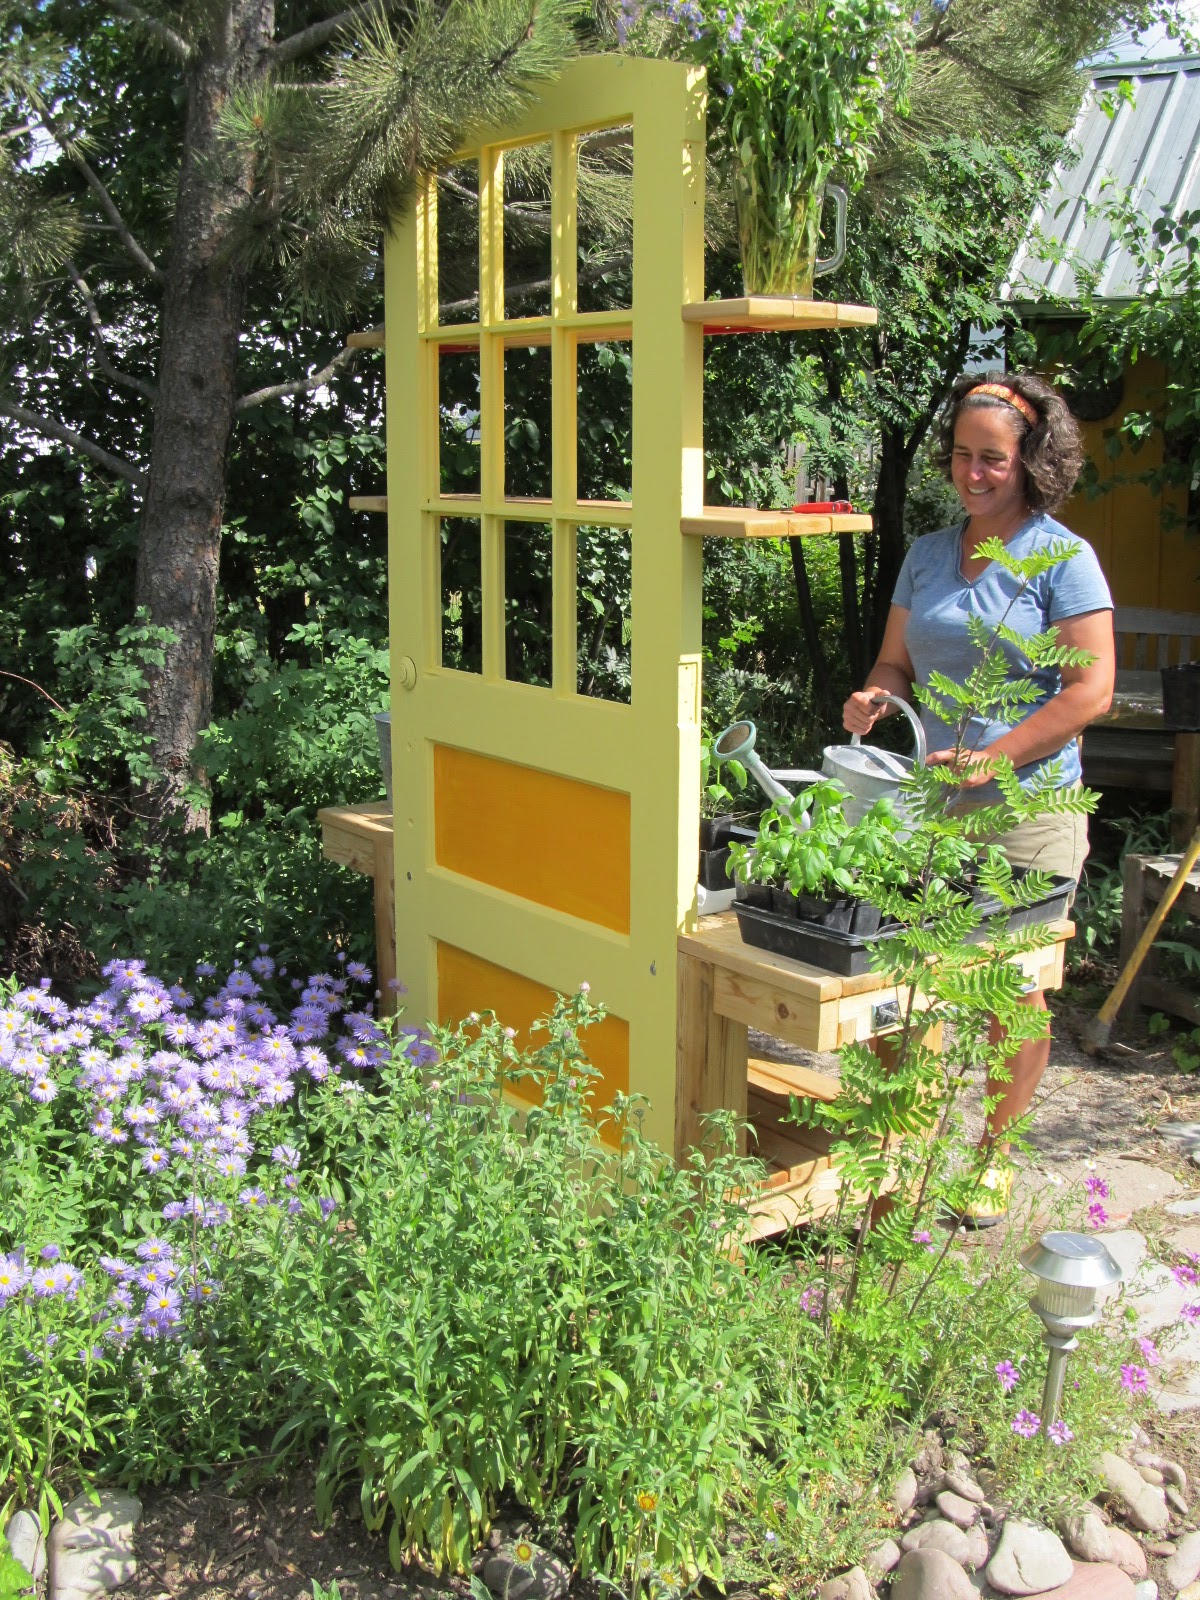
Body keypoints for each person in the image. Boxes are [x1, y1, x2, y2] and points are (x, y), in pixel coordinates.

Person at [843, 371, 1115, 1223]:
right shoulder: (927, 553)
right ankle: (893, 1148)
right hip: (931, 806)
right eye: (961, 455)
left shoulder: (1061, 558)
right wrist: (876, 697)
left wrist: (997, 757)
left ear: (1032, 461)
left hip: (1028, 807)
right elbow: (897, 661)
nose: (973, 472)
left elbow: (1090, 691)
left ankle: (991, 1157)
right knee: (900, 979)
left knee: (1013, 991)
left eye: (992, 458)